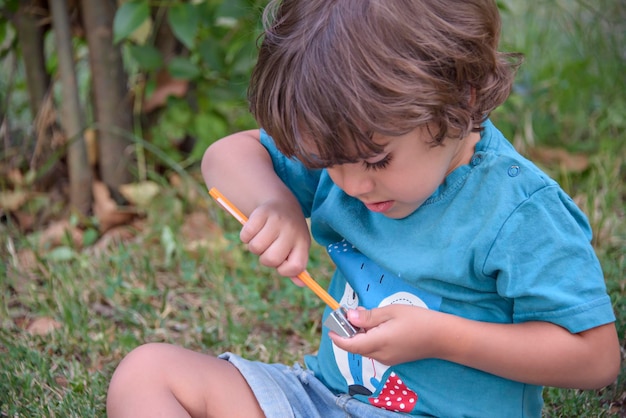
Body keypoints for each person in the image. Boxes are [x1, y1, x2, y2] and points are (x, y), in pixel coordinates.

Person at [106, 0, 621, 416]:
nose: (349, 184)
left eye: (376, 160)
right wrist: (276, 203)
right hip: (325, 401)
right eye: (326, 161)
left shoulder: (519, 211)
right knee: (146, 374)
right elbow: (226, 155)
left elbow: (596, 359)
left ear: (460, 102)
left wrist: (443, 339)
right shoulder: (351, 149)